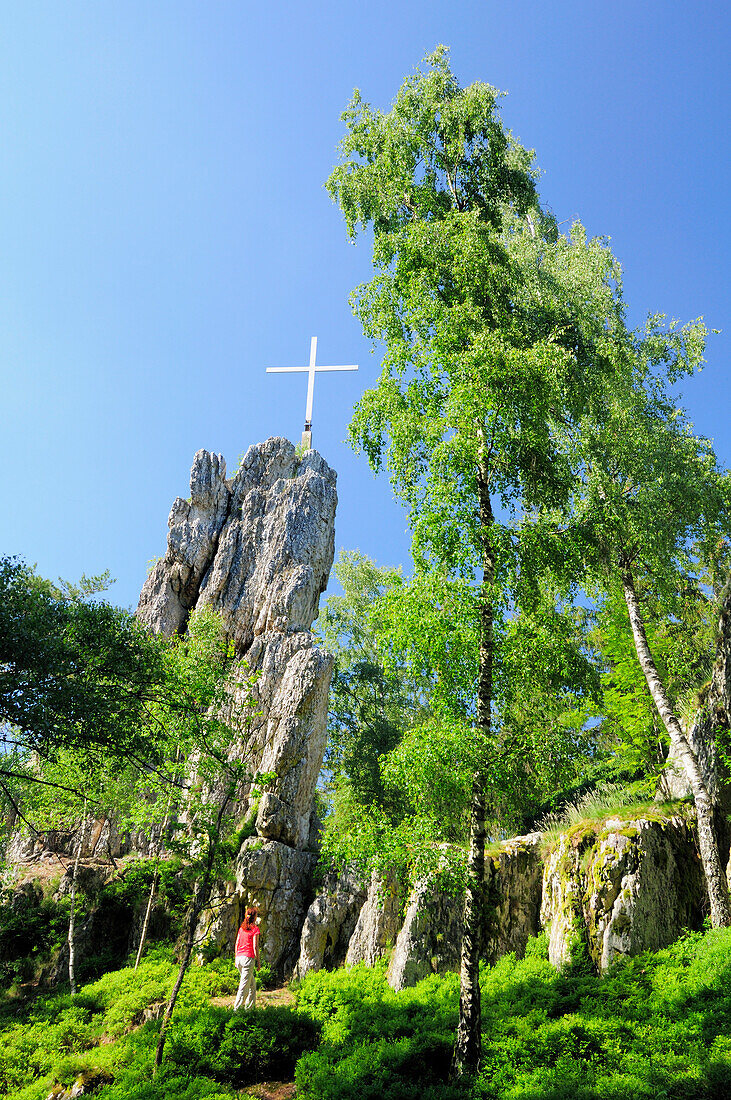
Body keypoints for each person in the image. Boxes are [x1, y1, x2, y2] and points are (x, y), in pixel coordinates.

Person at [233, 905, 261, 1011]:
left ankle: (250, 1010)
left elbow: (236, 944)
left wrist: (236, 958)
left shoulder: (241, 929)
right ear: (254, 917)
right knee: (244, 986)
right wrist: (258, 963)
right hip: (248, 959)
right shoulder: (255, 929)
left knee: (252, 985)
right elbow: (255, 946)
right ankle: (236, 1010)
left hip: (239, 958)